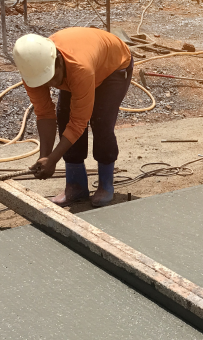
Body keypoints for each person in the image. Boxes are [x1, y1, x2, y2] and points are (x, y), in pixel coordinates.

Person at [13, 28, 133, 207]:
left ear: (59, 61)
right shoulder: (33, 72)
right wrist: (44, 157)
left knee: (101, 122)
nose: (51, 85)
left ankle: (106, 185)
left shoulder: (79, 68)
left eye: (52, 79)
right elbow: (44, 113)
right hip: (84, 65)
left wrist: (53, 159)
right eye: (44, 81)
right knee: (64, 117)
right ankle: (76, 186)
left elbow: (78, 122)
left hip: (113, 67)